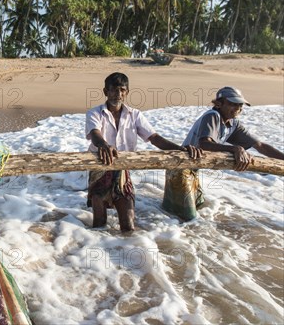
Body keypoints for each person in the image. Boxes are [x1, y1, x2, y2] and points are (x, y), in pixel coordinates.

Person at [86, 72, 201, 232]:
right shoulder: (95, 113)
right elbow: (95, 134)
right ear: (105, 92)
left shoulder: (135, 115)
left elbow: (154, 138)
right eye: (113, 90)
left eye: (122, 90)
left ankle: (126, 251)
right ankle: (94, 250)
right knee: (99, 223)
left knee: (128, 225)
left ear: (126, 92)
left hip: (122, 171)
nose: (117, 94)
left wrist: (180, 149)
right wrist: (104, 144)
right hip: (100, 170)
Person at [163, 86, 284, 221]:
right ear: (219, 104)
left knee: (195, 207)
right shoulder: (212, 116)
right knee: (188, 218)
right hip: (180, 168)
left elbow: (260, 146)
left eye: (240, 105)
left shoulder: (233, 124)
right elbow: (205, 144)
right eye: (232, 104)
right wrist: (235, 149)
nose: (238, 109)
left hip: (192, 170)